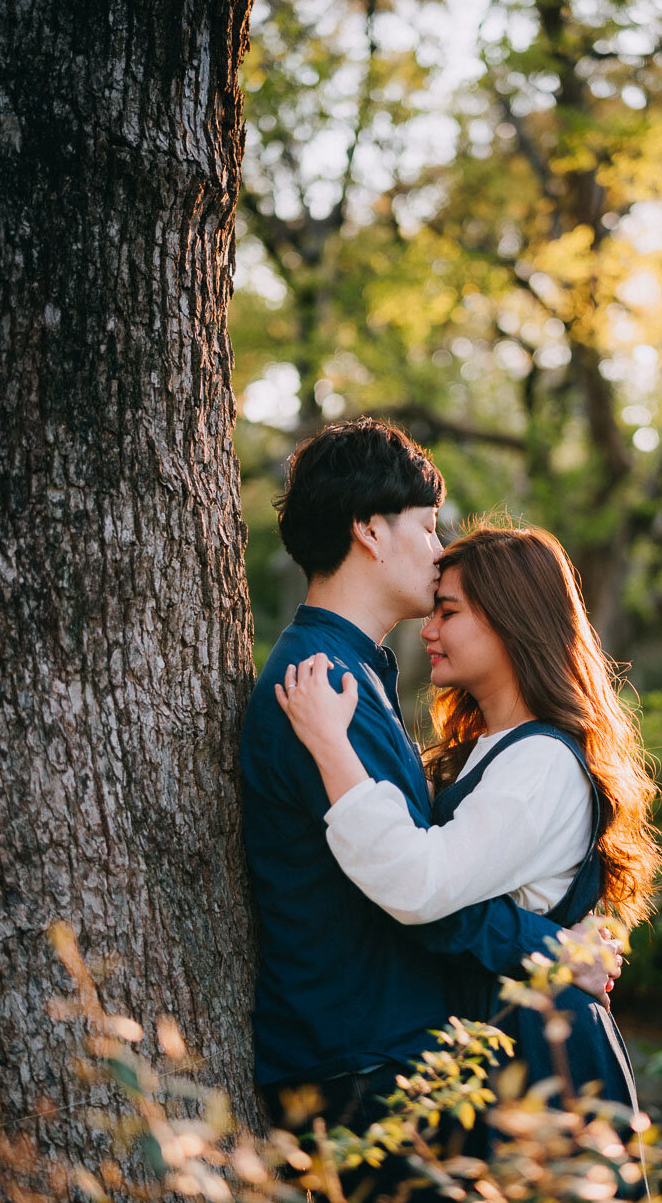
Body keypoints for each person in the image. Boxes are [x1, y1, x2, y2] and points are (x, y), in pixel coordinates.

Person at [240, 419, 622, 1140]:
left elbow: (422, 875)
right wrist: (553, 948)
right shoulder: (323, 684)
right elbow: (414, 889)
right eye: (426, 525)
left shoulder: (355, 676)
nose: (437, 546)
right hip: (362, 1056)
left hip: (382, 1052)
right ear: (370, 532)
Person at [276, 521, 661, 1125]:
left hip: (541, 1054)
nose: (427, 629)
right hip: (499, 1037)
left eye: (447, 613)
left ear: (510, 621)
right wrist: (555, 947)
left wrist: (331, 744)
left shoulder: (540, 763)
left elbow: (420, 883)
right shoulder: (485, 749)